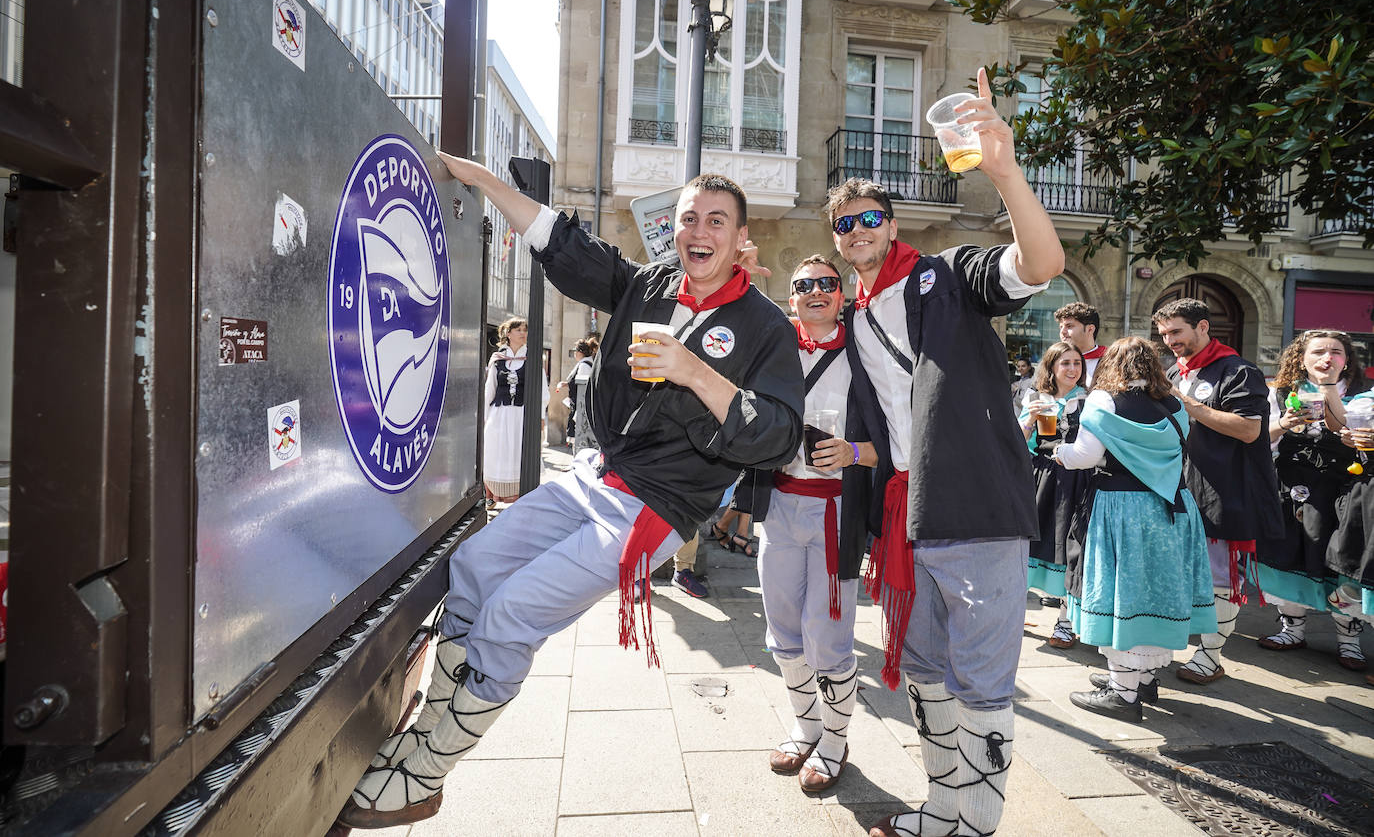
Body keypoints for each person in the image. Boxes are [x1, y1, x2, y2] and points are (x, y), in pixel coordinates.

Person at [337, 161, 804, 829]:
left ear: (739, 237)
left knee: (512, 614)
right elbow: (561, 242)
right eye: (689, 218)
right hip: (596, 475)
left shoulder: (765, 327)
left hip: (657, 509)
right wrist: (485, 182)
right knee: (473, 569)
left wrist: (694, 369)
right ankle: (426, 727)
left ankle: (424, 774)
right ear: (674, 230)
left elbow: (779, 436)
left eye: (716, 221)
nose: (699, 231)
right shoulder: (646, 284)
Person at [844, 69, 1064, 837]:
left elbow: (1039, 266)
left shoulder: (946, 275)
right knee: (930, 674)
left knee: (980, 682)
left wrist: (1005, 174)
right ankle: (944, 811)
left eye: (869, 217)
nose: (857, 230)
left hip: (976, 504)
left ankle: (978, 824)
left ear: (892, 225)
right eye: (842, 224)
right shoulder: (853, 315)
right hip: (908, 516)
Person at [733, 255, 877, 793]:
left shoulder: (867, 353)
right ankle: (805, 724)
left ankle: (836, 741)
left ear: (843, 296)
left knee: (829, 635)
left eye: (827, 284)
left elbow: (902, 432)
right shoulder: (773, 346)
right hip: (780, 506)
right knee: (783, 628)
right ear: (791, 298)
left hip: (838, 512)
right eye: (803, 285)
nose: (816, 291)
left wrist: (855, 451)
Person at [1053, 337, 1217, 721]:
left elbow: (1087, 456)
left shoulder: (1103, 400)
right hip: (1171, 508)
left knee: (1123, 592)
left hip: (1122, 507)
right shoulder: (1175, 404)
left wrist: (1059, 452)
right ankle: (1141, 678)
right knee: (1153, 594)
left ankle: (1122, 695)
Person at [1155, 298, 1283, 686]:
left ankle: (1211, 655)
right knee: (1179, 575)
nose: (1170, 341)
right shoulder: (1172, 371)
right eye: (1163, 335)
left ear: (1204, 327)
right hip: (1180, 488)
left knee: (1219, 579)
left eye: (1176, 332)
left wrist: (1186, 402)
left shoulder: (1239, 371)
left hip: (1226, 490)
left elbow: (1248, 430)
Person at [1255, 331, 1368, 670]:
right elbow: (1260, 437)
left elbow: (1355, 432)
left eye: (1336, 351)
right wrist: (1283, 424)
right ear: (1301, 358)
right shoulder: (1282, 390)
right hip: (1292, 483)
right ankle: (1292, 628)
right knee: (1290, 551)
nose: (1327, 357)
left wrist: (1330, 388)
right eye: (1318, 351)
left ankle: (1349, 639)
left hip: (1342, 488)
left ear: (1346, 359)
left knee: (1339, 559)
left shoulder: (1362, 395)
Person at [1019, 341, 1090, 641]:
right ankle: (1012, 614)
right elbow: (1018, 442)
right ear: (1051, 367)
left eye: (1077, 363)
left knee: (1067, 546)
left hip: (1077, 478)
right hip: (1041, 476)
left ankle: (1065, 620)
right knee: (1032, 543)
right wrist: (1031, 418)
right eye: (1066, 363)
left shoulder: (1089, 400)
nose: (1073, 369)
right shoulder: (1036, 397)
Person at [1329, 391, 1374, 687]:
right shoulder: (1366, 397)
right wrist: (1349, 439)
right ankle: (1348, 623)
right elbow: (1340, 425)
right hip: (1367, 489)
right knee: (1357, 570)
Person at [482, 318, 548, 503]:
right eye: (518, 329)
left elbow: (541, 389)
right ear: (508, 333)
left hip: (522, 414)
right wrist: (484, 419)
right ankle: (493, 493)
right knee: (497, 451)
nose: (523, 333)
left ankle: (520, 493)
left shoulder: (533, 358)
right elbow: (490, 390)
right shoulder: (497, 359)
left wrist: (540, 415)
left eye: (525, 330)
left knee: (519, 451)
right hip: (499, 414)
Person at [555, 337, 597, 452]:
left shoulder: (584, 365)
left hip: (580, 406)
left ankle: (576, 460)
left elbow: (582, 387)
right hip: (579, 404)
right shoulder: (587, 363)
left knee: (579, 434)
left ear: (579, 352)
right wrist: (567, 384)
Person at [1056, 301, 1106, 386]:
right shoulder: (1054, 360)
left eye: (1069, 326)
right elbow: (1036, 390)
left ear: (1090, 329)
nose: (1062, 332)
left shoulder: (1110, 363)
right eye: (1061, 327)